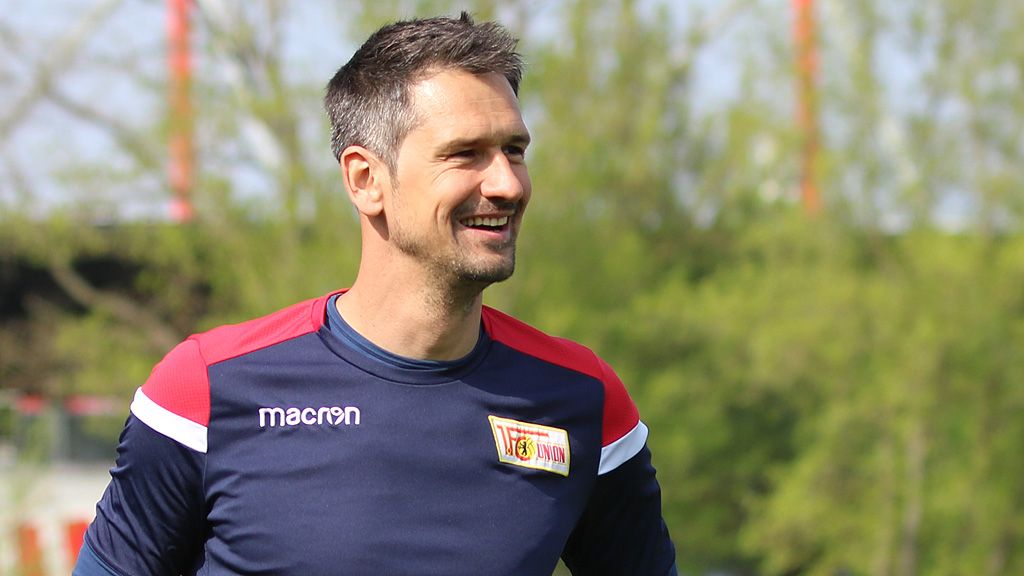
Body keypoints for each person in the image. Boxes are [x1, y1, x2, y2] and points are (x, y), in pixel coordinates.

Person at [74, 12, 676, 576]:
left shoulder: (583, 398)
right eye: (466, 154)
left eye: (514, 151)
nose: (508, 184)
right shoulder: (205, 389)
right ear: (366, 181)